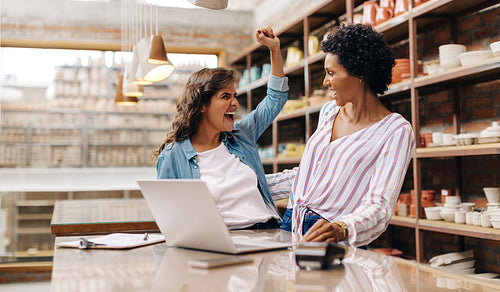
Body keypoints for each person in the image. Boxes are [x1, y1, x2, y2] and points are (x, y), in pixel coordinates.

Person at [266, 23, 415, 246]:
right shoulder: (329, 112)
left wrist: (341, 229)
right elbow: (310, 175)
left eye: (331, 73)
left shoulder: (396, 131)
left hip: (333, 237)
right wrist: (253, 182)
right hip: (291, 225)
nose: (325, 81)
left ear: (361, 74)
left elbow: (379, 206)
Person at [155, 26, 289, 230]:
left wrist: (274, 50)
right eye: (225, 96)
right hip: (220, 241)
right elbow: (169, 218)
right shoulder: (173, 156)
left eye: (234, 95)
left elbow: (275, 99)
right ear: (201, 105)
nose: (235, 103)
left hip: (268, 232)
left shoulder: (241, 135)